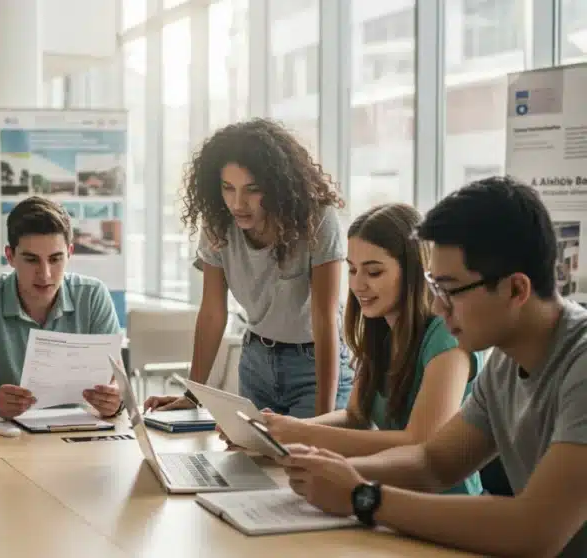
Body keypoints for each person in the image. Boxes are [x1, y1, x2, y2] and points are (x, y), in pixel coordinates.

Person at [280, 176, 587, 557]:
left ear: (516, 290)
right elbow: (434, 462)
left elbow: (535, 529)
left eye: (450, 290)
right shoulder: (505, 360)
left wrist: (364, 497)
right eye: (434, 286)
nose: (439, 307)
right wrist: (326, 473)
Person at [253, 203, 482, 495]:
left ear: (414, 272)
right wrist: (275, 430)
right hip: (391, 495)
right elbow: (355, 416)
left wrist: (302, 432)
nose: (358, 285)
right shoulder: (379, 331)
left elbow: (421, 441)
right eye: (352, 270)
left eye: (374, 272)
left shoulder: (446, 336)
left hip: (444, 506)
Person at [144, 118, 353, 418]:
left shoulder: (316, 218)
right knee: (252, 464)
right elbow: (213, 312)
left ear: (278, 187)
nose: (238, 203)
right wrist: (193, 394)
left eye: (252, 189)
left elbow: (325, 318)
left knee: (307, 460)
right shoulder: (217, 223)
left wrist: (322, 419)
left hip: (313, 366)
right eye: (228, 188)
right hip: (256, 363)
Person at [0, 196, 122, 427]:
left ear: (70, 253)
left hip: (78, 431)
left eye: (55, 259)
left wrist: (115, 401)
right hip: (4, 435)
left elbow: (118, 384)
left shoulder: (93, 295)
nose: (45, 274)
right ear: (10, 256)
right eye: (31, 260)